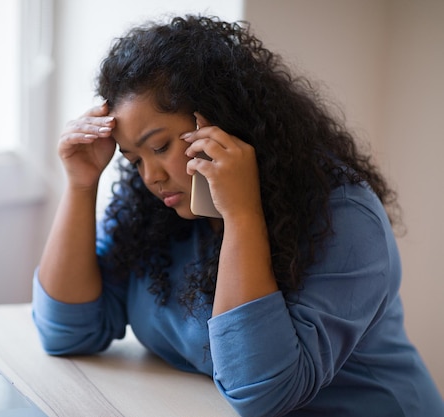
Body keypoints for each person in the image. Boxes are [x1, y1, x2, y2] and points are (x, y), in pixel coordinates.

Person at [32, 15, 444, 417]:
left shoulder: (345, 218)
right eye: (133, 159)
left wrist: (242, 215)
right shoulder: (159, 211)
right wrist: (81, 185)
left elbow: (263, 392)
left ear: (223, 123)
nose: (151, 177)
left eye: (160, 147)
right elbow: (67, 333)